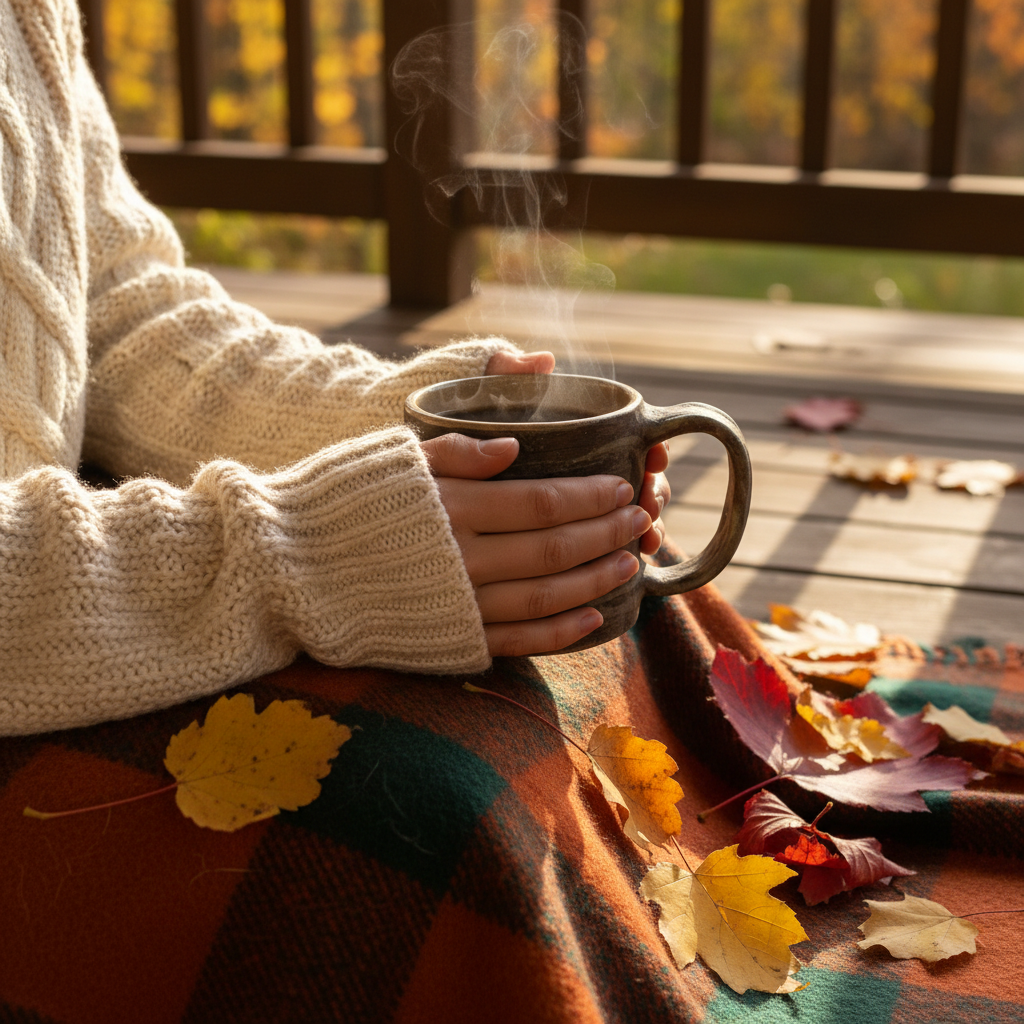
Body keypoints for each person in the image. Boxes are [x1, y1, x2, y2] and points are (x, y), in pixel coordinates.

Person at [0, 0, 669, 736]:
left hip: (104, 583)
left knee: (644, 625)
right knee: (461, 777)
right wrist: (311, 557)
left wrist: (406, 424)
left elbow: (110, 308)